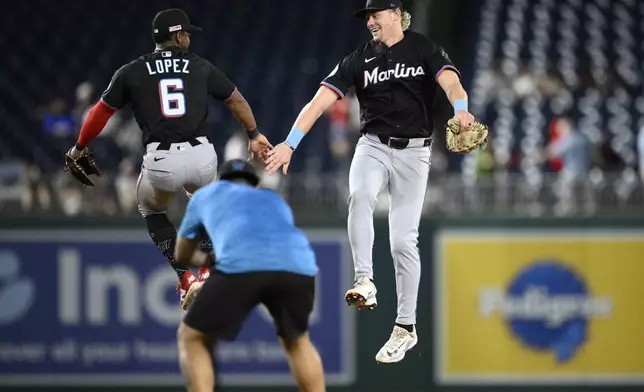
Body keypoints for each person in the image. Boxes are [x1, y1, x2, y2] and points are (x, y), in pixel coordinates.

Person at [264, 0, 476, 363]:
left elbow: (452, 82)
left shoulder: (422, 47)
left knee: (402, 242)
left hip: (415, 152)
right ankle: (365, 279)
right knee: (360, 194)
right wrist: (290, 143)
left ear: (396, 14)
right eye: (366, 18)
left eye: (375, 15)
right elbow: (319, 102)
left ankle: (405, 328)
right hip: (373, 146)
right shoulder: (358, 59)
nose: (370, 23)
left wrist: (461, 110)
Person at [66, 9, 272, 309]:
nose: (188, 36)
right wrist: (253, 133)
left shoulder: (132, 70)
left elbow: (101, 112)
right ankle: (206, 270)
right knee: (204, 206)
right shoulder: (199, 65)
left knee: (151, 210)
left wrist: (79, 146)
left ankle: (184, 277)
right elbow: (235, 100)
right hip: (202, 156)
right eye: (186, 32)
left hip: (161, 160)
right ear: (176, 35)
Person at [174, 159, 325, 392]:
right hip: (298, 265)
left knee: (192, 337)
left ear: (220, 180)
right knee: (297, 341)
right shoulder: (274, 199)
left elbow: (182, 253)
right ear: (254, 184)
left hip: (241, 264)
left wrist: (208, 261)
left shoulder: (206, 195)